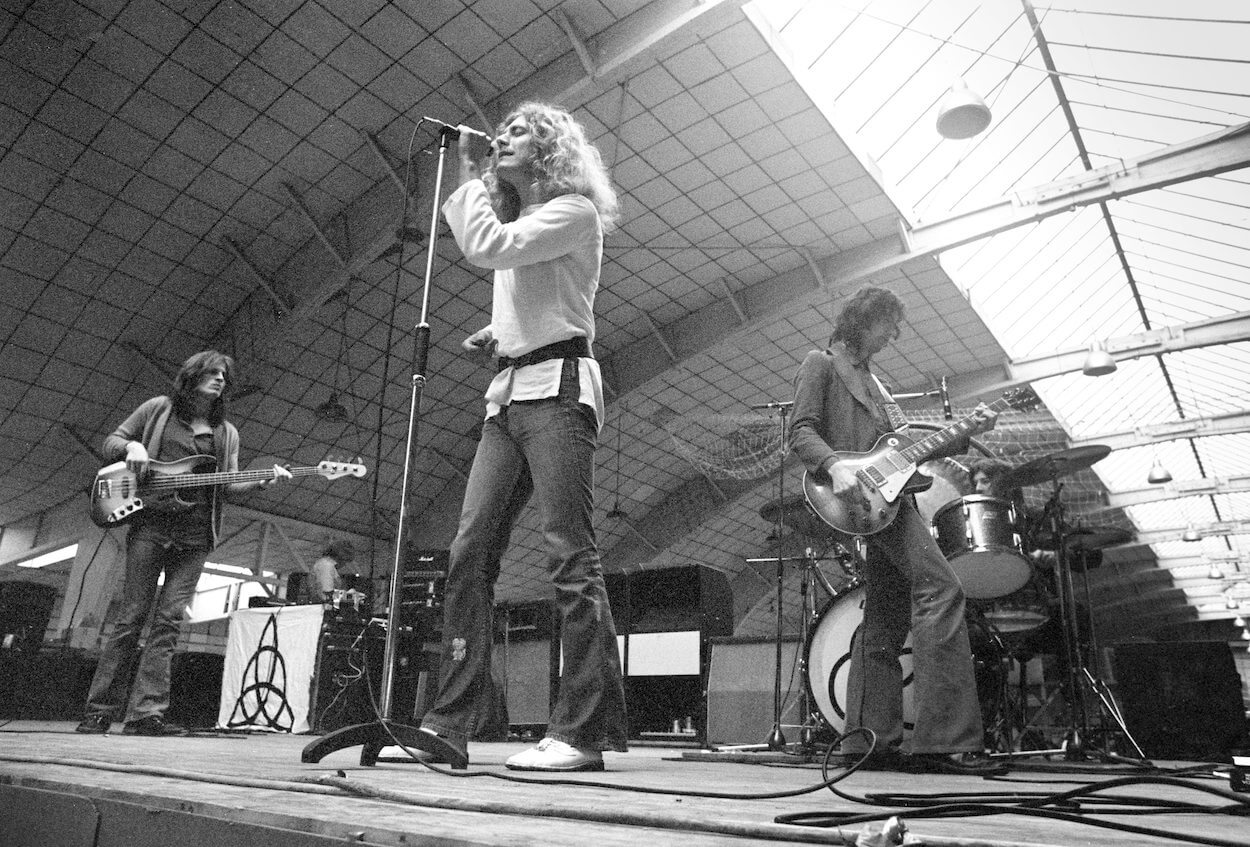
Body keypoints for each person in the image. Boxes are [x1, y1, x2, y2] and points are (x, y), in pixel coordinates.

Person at [412, 103, 628, 772]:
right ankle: (447, 723)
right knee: (468, 551)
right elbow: (534, 292)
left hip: (559, 390)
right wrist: (501, 336)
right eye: (500, 133)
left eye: (517, 132)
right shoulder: (527, 223)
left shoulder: (573, 212)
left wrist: (474, 176)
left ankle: (582, 732)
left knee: (570, 554)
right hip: (509, 396)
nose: (502, 138)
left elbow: (488, 248)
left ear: (551, 150)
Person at [789, 286, 1005, 775]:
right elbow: (801, 431)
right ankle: (943, 740)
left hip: (889, 503)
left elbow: (905, 451)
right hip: (863, 498)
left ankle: (869, 740)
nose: (896, 335)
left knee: (885, 622)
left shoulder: (877, 386)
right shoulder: (819, 364)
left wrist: (965, 431)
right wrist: (834, 467)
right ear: (867, 320)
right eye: (891, 324)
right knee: (942, 588)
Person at [76, 351, 291, 736]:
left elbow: (227, 484)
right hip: (150, 526)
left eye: (224, 374)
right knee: (131, 617)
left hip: (196, 536)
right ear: (191, 376)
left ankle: (146, 715)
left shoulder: (227, 433)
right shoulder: (158, 410)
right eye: (212, 372)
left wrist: (263, 480)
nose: (220, 378)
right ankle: (99, 711)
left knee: (169, 622)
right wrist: (133, 448)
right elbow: (113, 441)